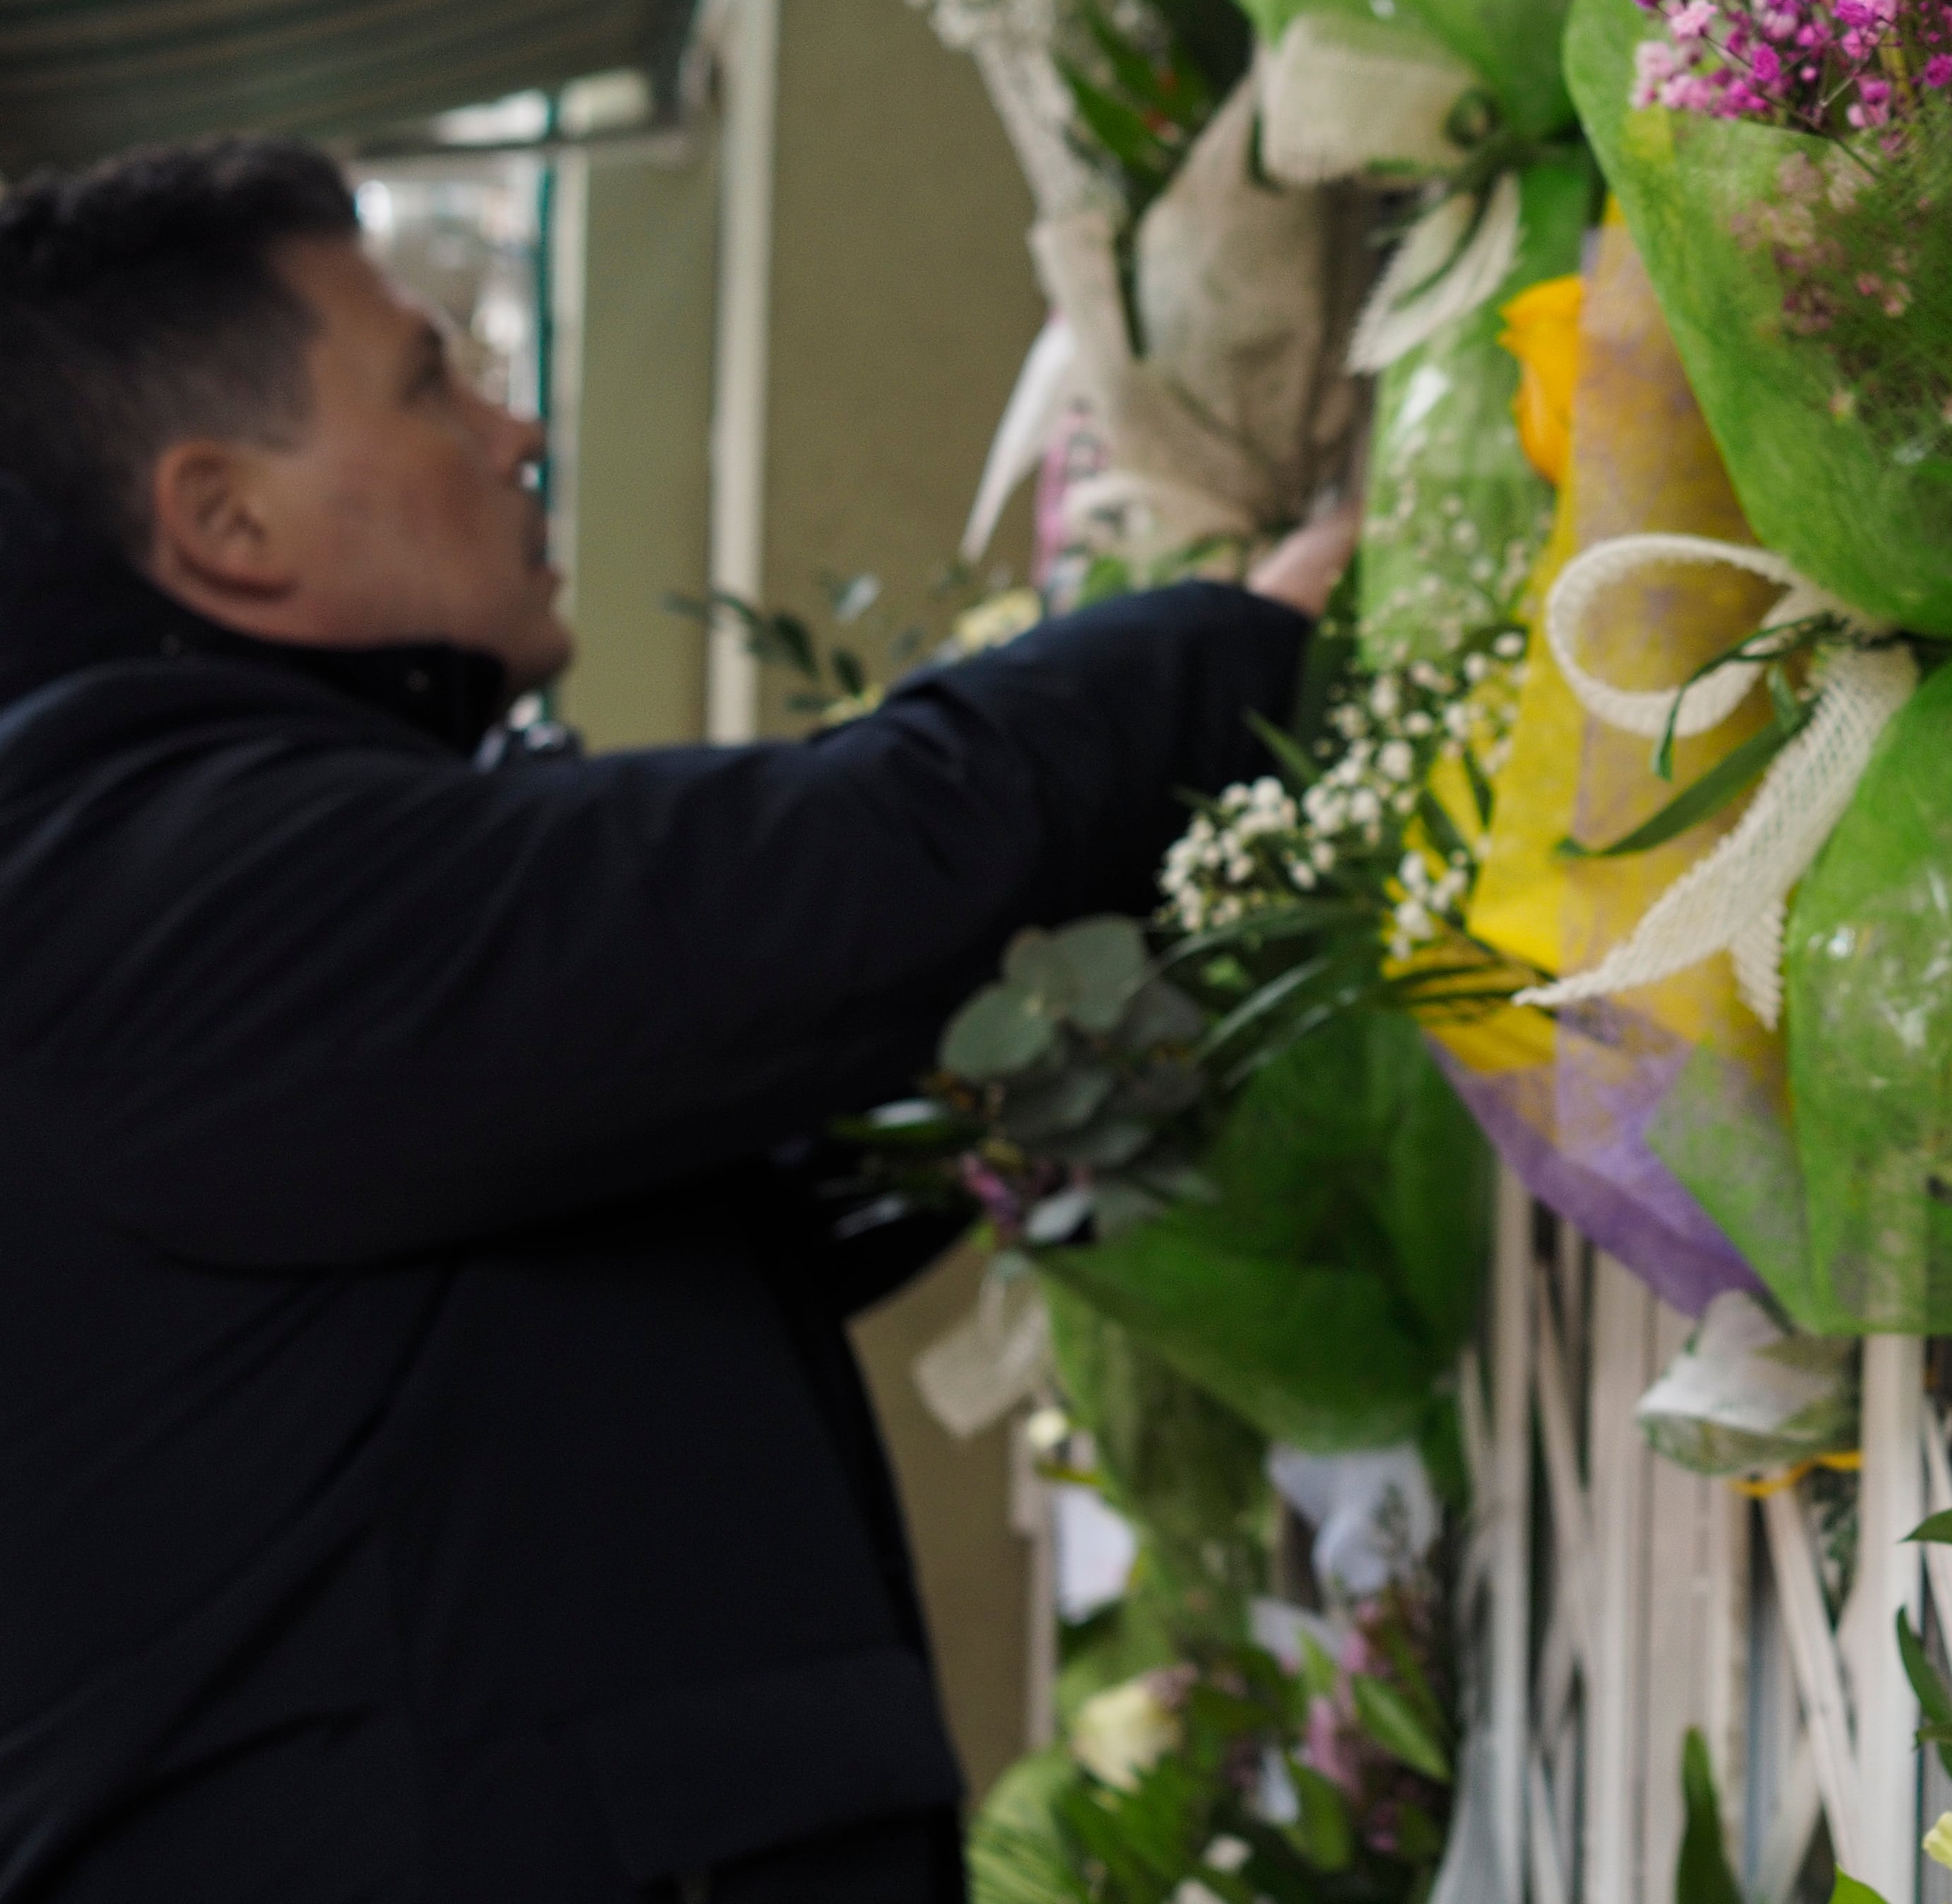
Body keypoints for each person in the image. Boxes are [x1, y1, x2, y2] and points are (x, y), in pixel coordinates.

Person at [0, 138, 1349, 1901]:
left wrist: (1055, 1032)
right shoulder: (131, 880)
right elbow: (814, 890)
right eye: (431, 382)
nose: (518, 434)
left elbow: (689, 1174)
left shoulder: (178, 854)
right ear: (225, 519)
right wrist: (1243, 646)